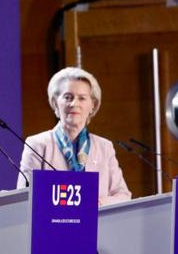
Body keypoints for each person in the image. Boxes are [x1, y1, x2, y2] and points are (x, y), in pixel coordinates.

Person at [17, 67, 131, 206]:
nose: (74, 104)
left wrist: (98, 203)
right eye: (68, 97)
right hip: (51, 225)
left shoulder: (104, 147)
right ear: (55, 103)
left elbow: (123, 195)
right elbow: (24, 196)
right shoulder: (37, 144)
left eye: (82, 98)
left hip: (97, 224)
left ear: (93, 106)